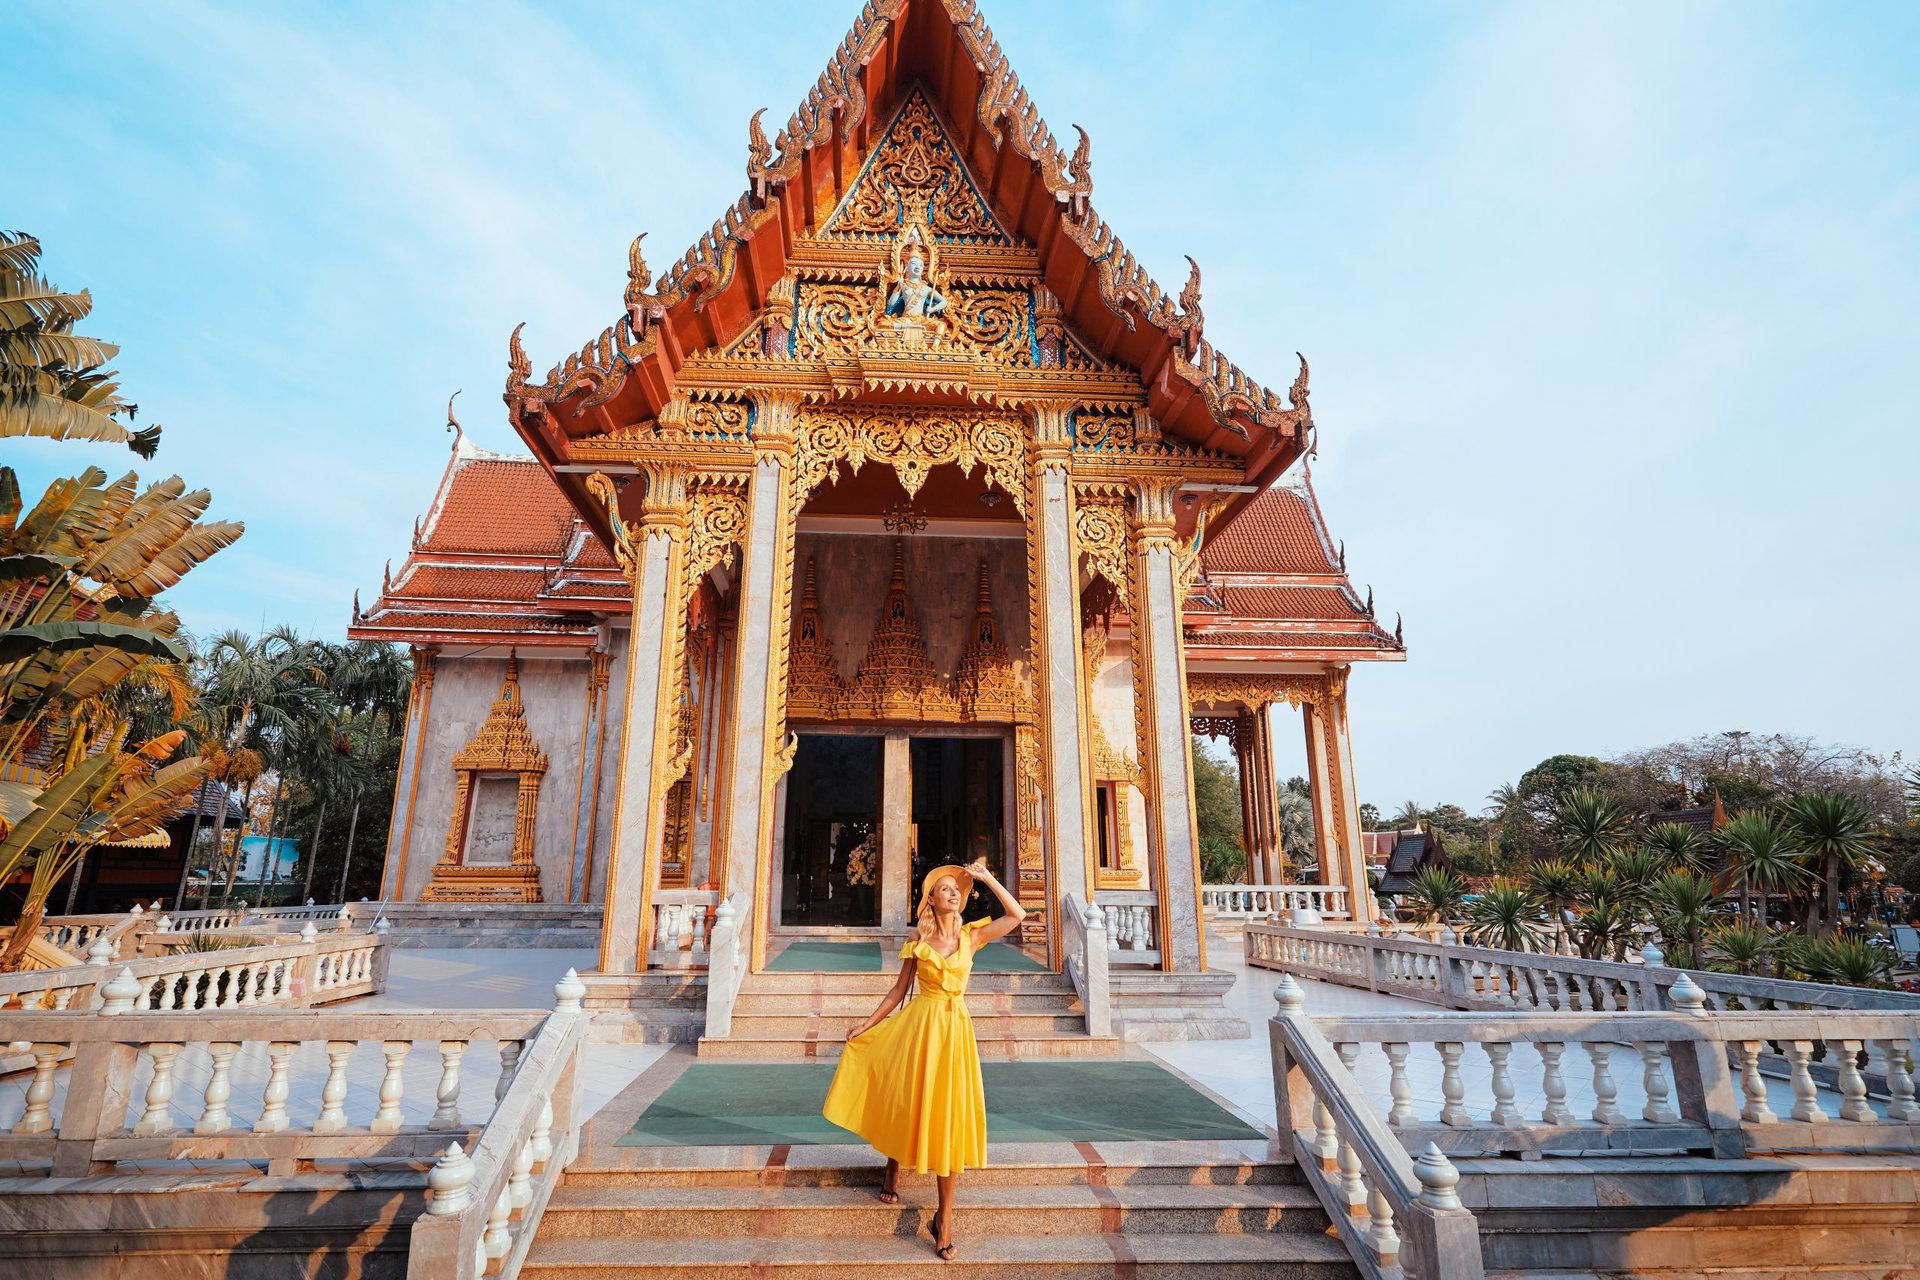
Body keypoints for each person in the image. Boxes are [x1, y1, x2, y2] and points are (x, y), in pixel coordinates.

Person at [821, 857, 1026, 1261]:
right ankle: (892, 1165)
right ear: (930, 899)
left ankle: (944, 1220)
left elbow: (1016, 914)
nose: (954, 892)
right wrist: (866, 1024)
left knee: (948, 1116)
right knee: (908, 1097)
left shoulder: (972, 937)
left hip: (955, 1034)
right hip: (920, 1028)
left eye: (958, 889)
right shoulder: (919, 943)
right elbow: (898, 993)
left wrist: (985, 878)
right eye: (945, 888)